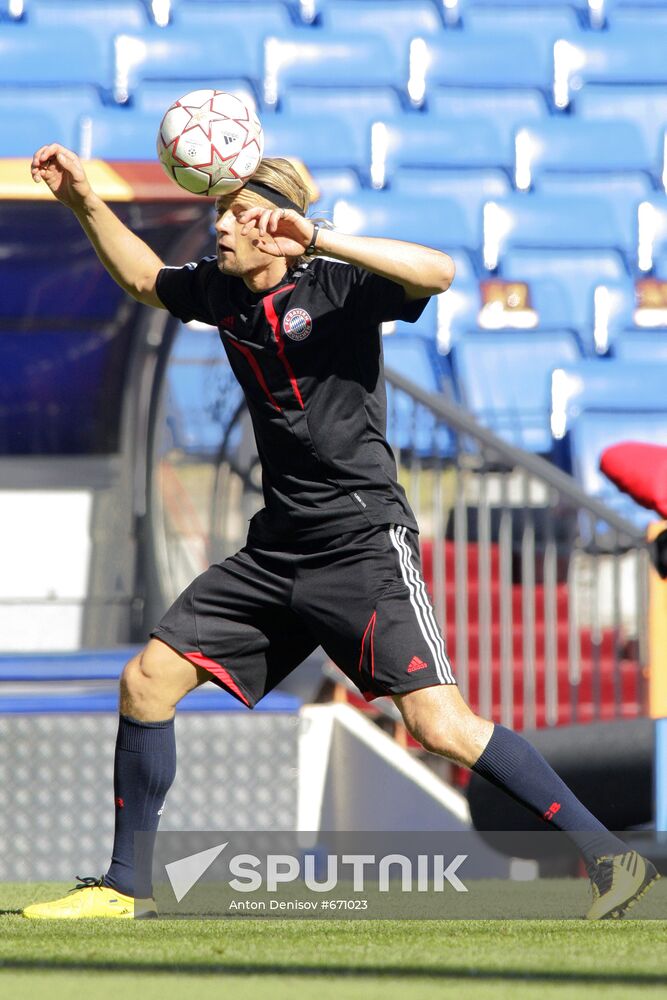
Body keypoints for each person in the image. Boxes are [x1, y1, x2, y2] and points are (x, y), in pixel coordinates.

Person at [23, 143, 658, 921]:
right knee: (147, 681)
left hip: (361, 543)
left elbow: (436, 272)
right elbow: (144, 280)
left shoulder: (336, 284)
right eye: (218, 212)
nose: (218, 226)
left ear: (271, 225)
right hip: (277, 546)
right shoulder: (222, 290)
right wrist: (85, 199)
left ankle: (614, 862)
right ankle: (125, 887)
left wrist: (318, 236)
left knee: (438, 725)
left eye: (232, 214)